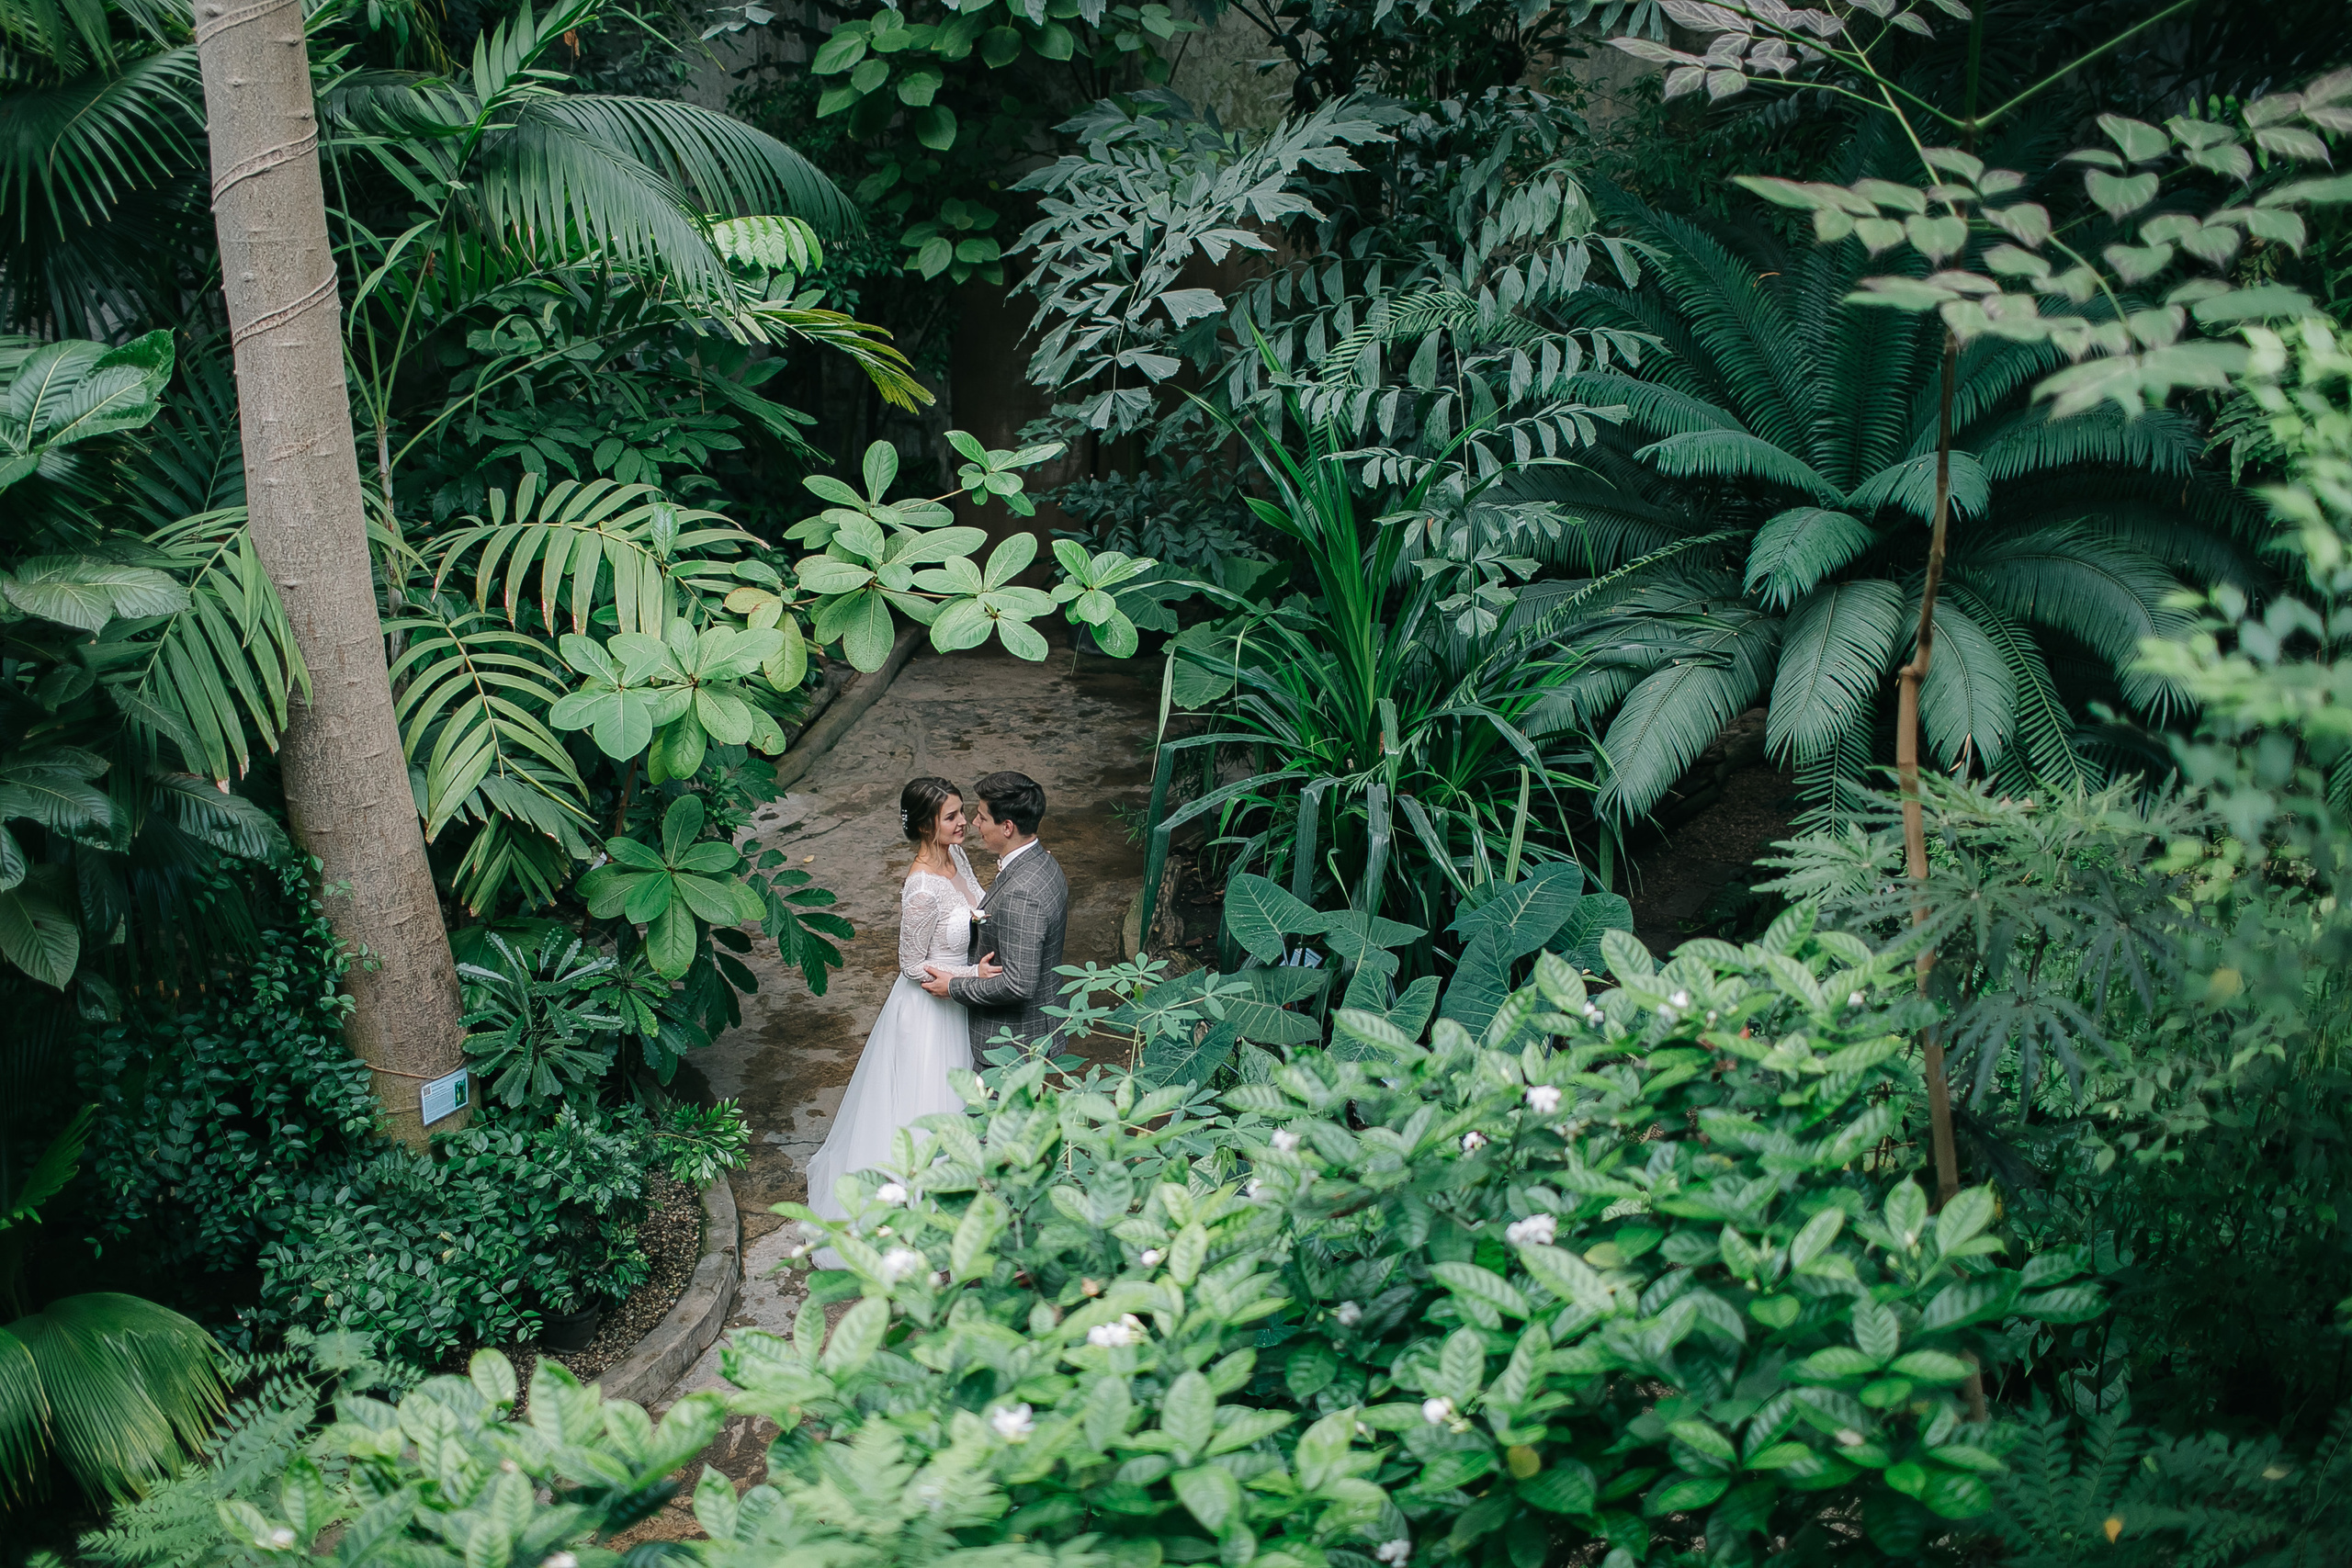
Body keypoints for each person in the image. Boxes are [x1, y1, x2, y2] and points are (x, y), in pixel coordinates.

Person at [803, 777, 1000, 1232]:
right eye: (952, 816)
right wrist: (972, 974)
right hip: (931, 1009)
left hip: (960, 1000)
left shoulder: (957, 855)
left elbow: (977, 907)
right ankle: (921, 1217)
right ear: (928, 825)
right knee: (929, 1109)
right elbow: (911, 965)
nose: (964, 822)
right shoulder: (921, 889)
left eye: (962, 812)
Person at [922, 770, 1068, 1055]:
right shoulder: (1043, 862)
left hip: (1013, 1044)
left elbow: (1018, 985)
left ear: (1007, 827)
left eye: (982, 818)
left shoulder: (1022, 893)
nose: (974, 823)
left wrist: (954, 987)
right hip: (1039, 1025)